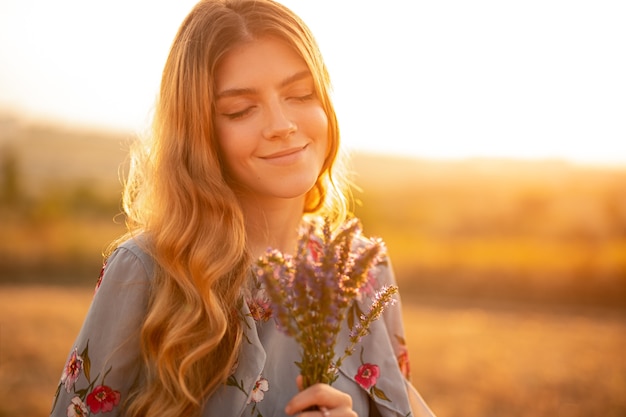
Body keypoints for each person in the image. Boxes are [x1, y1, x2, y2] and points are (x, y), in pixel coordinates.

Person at [50, 1, 436, 416]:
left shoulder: (359, 269)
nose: (280, 124)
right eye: (240, 109)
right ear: (200, 133)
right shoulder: (148, 272)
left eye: (300, 93)